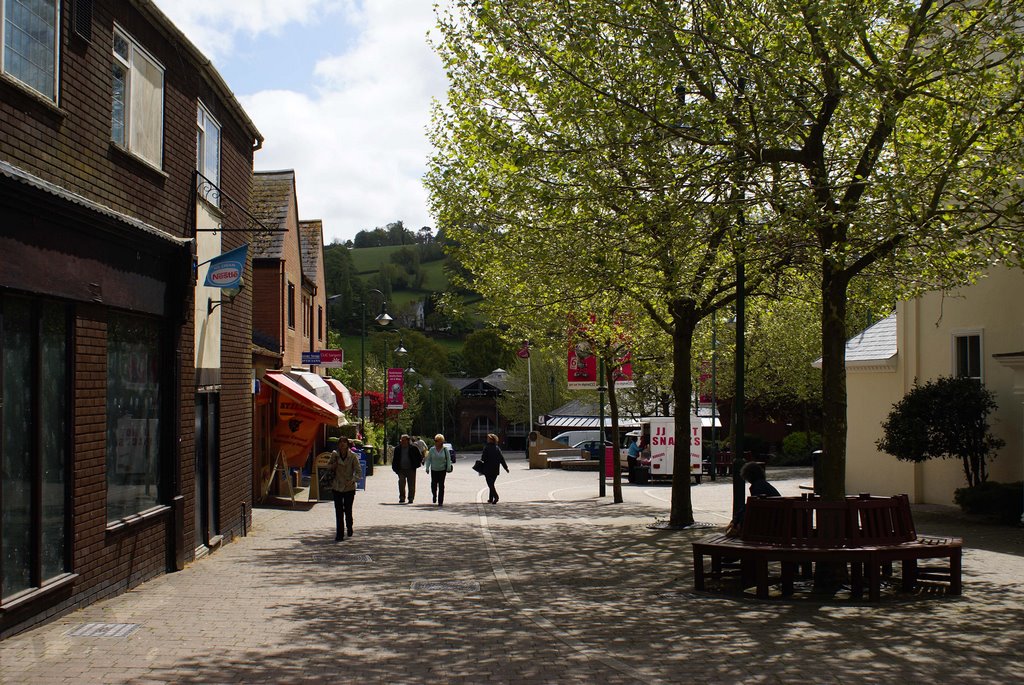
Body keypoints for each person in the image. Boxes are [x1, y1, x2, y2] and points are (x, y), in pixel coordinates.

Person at [724, 461, 780, 537]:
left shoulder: (757, 487)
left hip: (768, 528)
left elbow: (751, 509)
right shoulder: (765, 485)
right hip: (776, 523)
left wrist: (736, 523)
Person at [328, 437, 362, 541]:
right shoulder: (335, 455)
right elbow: (328, 466)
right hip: (337, 486)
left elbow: (358, 471)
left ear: (347, 444)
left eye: (344, 443)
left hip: (349, 487)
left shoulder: (353, 456)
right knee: (338, 511)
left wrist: (353, 480)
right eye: (340, 443)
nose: (342, 445)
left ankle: (349, 526)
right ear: (338, 445)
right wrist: (333, 465)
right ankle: (339, 534)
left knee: (348, 509)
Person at [392, 434, 424, 504]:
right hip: (401, 469)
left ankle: (411, 498)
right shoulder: (397, 449)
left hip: (411, 469)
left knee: (411, 484)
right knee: (401, 483)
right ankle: (402, 497)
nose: (402, 442)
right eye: (401, 440)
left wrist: (416, 465)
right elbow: (394, 459)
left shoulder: (413, 448)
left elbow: (419, 457)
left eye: (404, 440)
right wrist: (395, 468)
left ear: (408, 440)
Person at [479, 433, 509, 504]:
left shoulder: (486, 448)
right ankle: (490, 498)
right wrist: (506, 468)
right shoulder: (497, 448)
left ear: (491, 440)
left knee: (490, 484)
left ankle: (496, 496)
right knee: (491, 483)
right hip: (495, 469)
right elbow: (502, 459)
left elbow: (483, 458)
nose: (487, 440)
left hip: (487, 469)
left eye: (488, 438)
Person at [424, 433, 453, 506]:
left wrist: (448, 467)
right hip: (434, 469)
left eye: (437, 441)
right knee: (433, 485)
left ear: (441, 441)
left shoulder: (445, 449)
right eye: (435, 440)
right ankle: (434, 495)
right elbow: (429, 459)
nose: (436, 442)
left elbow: (448, 459)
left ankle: (440, 501)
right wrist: (427, 468)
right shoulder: (432, 449)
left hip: (442, 470)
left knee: (441, 485)